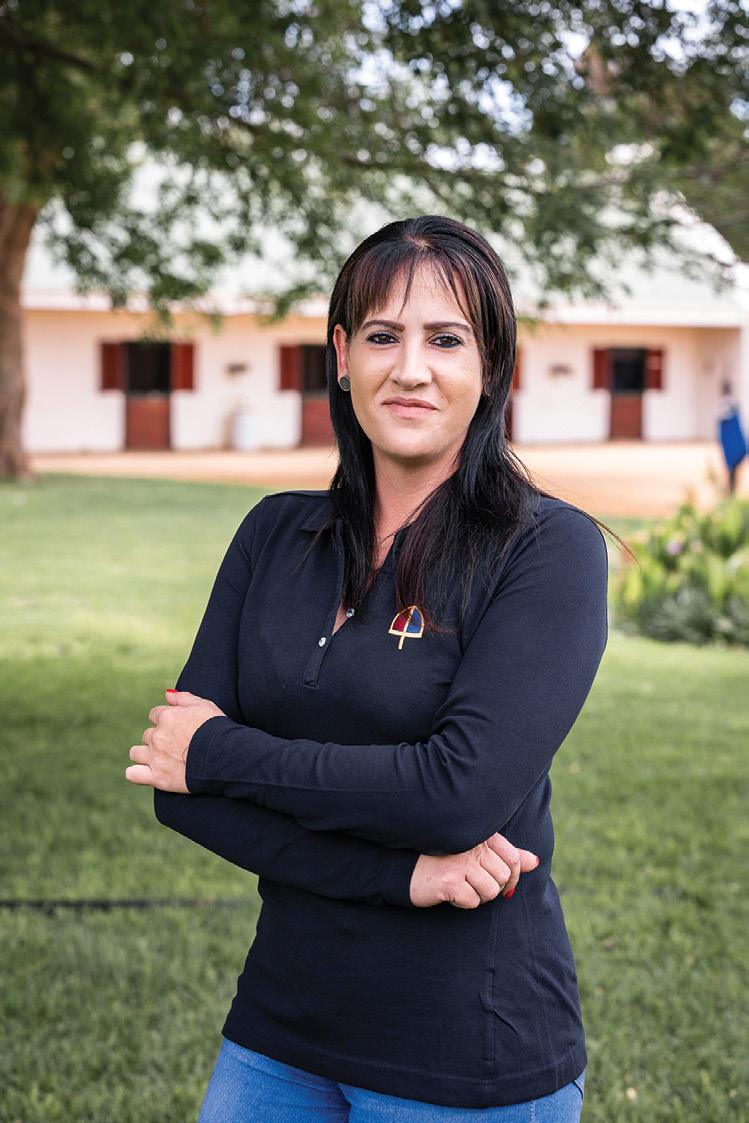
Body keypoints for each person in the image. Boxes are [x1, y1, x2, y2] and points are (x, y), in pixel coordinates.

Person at [125, 215, 631, 1121]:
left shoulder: (547, 549)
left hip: (468, 1051)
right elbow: (179, 797)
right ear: (341, 356)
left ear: (491, 366)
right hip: (278, 1030)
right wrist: (400, 876)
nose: (410, 368)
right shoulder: (272, 533)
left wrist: (216, 752)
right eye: (382, 336)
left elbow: (454, 795)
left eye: (446, 339)